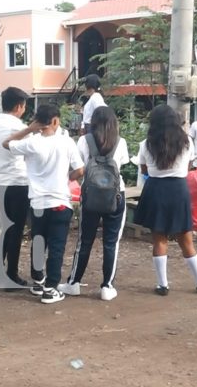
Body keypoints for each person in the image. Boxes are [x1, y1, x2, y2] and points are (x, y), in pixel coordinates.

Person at [3, 104, 85, 304]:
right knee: (56, 247)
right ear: (55, 121)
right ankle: (50, 288)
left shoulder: (31, 143)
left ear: (38, 122)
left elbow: (6, 144)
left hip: (37, 202)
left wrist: (30, 129)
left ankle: (38, 281)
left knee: (38, 242)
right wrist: (67, 178)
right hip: (59, 202)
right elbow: (80, 170)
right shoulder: (67, 143)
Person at [134, 104, 197, 296]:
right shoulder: (186, 143)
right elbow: (188, 166)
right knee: (186, 239)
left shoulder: (146, 144)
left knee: (159, 239)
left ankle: (163, 285)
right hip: (179, 190)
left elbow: (144, 170)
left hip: (155, 190)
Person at [60, 106, 129, 301]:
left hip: (90, 196)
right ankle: (107, 286)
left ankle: (73, 282)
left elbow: (79, 168)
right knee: (111, 242)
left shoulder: (84, 141)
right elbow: (121, 164)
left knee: (84, 241)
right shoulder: (121, 142)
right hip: (116, 196)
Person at [0, 87, 31, 289]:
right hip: (18, 182)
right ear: (19, 106)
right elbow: (33, 149)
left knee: (6, 227)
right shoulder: (19, 127)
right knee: (16, 229)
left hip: (0, 182)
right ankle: (10, 274)